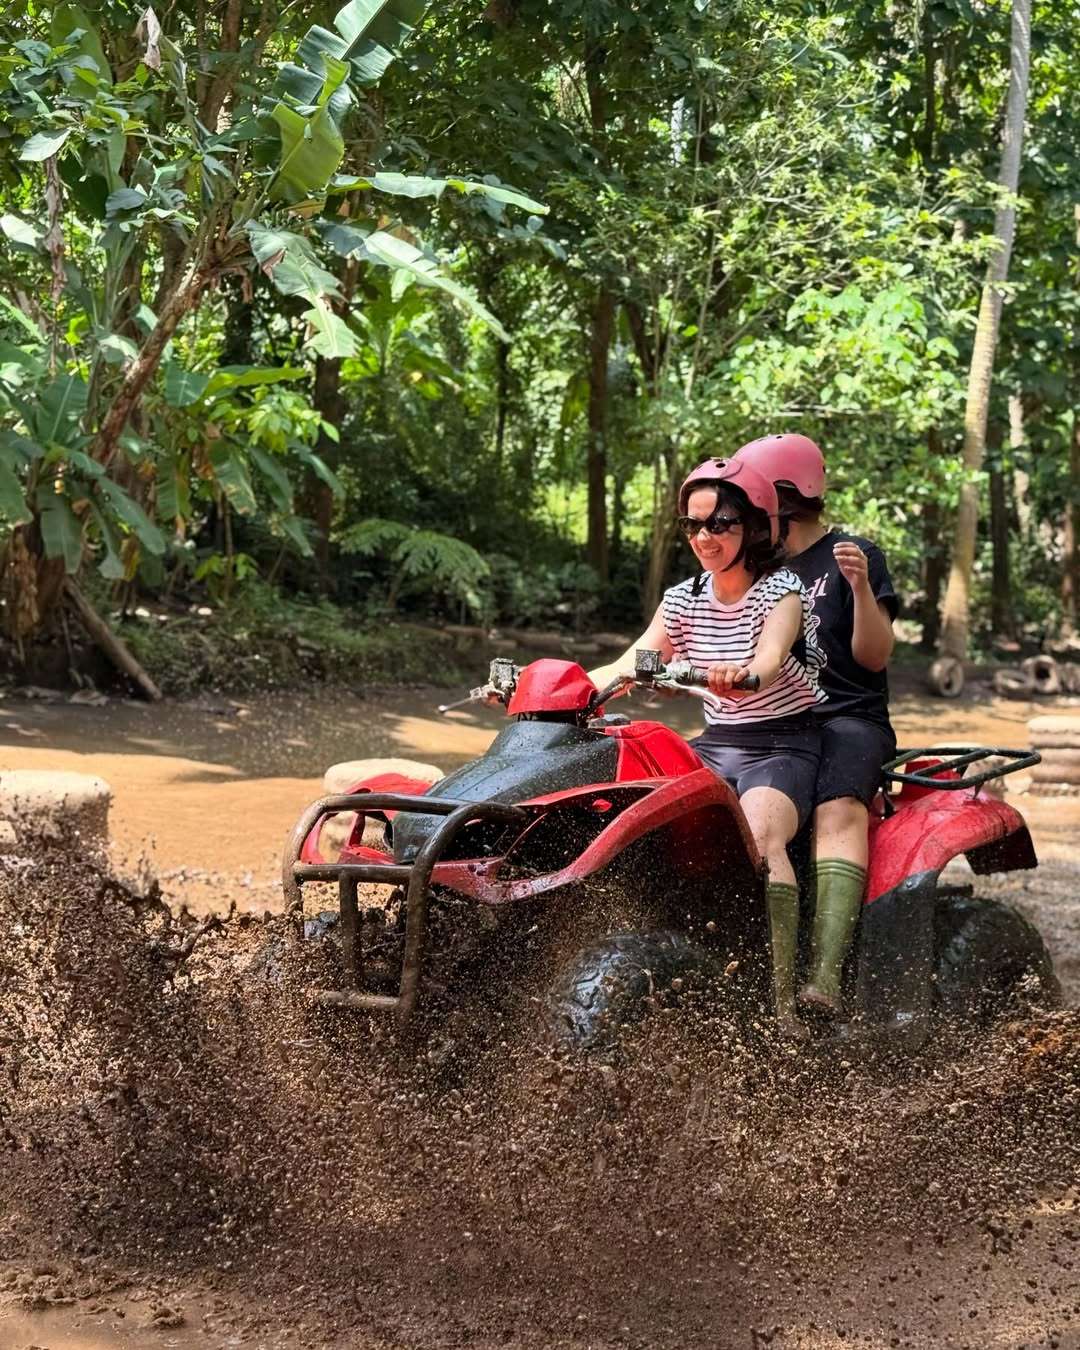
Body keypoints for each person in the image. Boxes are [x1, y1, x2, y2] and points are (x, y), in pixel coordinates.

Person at [589, 457, 825, 1038]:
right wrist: (558, 689)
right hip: (717, 745)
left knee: (761, 836)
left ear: (754, 526)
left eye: (718, 524)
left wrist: (738, 673)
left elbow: (766, 663)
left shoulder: (783, 591)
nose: (703, 538)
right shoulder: (684, 597)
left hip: (783, 745)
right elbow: (630, 661)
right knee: (637, 813)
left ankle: (782, 1007)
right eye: (693, 527)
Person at [734, 433, 898, 1016]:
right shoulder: (757, 569)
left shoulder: (853, 554)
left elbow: (875, 657)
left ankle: (823, 980)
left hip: (849, 719)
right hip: (776, 724)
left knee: (838, 806)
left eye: (752, 501)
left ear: (782, 498)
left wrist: (858, 588)